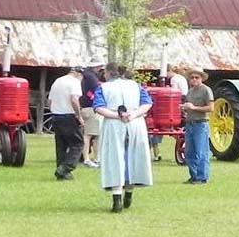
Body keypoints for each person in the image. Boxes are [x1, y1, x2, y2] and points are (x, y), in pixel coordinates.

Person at [94, 63, 153, 213]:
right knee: (132, 157)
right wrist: (133, 114)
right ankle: (129, 192)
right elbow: (147, 103)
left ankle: (117, 197)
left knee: (115, 157)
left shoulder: (104, 87)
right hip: (135, 122)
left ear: (108, 73)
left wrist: (117, 115)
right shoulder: (136, 86)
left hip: (114, 124)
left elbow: (99, 107)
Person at [49, 66, 84, 180]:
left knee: (61, 146)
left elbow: (50, 101)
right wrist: (78, 115)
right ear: (79, 75)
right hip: (69, 116)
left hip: (56, 115)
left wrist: (54, 110)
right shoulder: (75, 82)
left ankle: (62, 173)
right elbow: (74, 99)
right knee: (77, 144)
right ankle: (65, 168)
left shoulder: (58, 81)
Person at [181, 68, 213, 184]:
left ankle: (202, 177)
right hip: (190, 124)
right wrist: (185, 108)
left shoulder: (206, 90)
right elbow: (189, 107)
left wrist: (194, 108)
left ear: (201, 79)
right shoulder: (190, 91)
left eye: (197, 77)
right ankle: (194, 175)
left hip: (200, 124)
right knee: (189, 152)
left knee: (201, 152)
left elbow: (211, 108)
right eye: (192, 77)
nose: (194, 79)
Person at [151, 65, 189, 162]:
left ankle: (156, 153)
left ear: (168, 71)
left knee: (155, 125)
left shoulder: (174, 79)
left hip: (176, 103)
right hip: (184, 100)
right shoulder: (181, 78)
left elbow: (172, 93)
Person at [80, 58, 104, 168]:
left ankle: (93, 157)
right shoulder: (91, 77)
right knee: (91, 135)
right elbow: (98, 89)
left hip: (85, 107)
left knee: (90, 134)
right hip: (91, 108)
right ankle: (90, 158)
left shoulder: (86, 76)